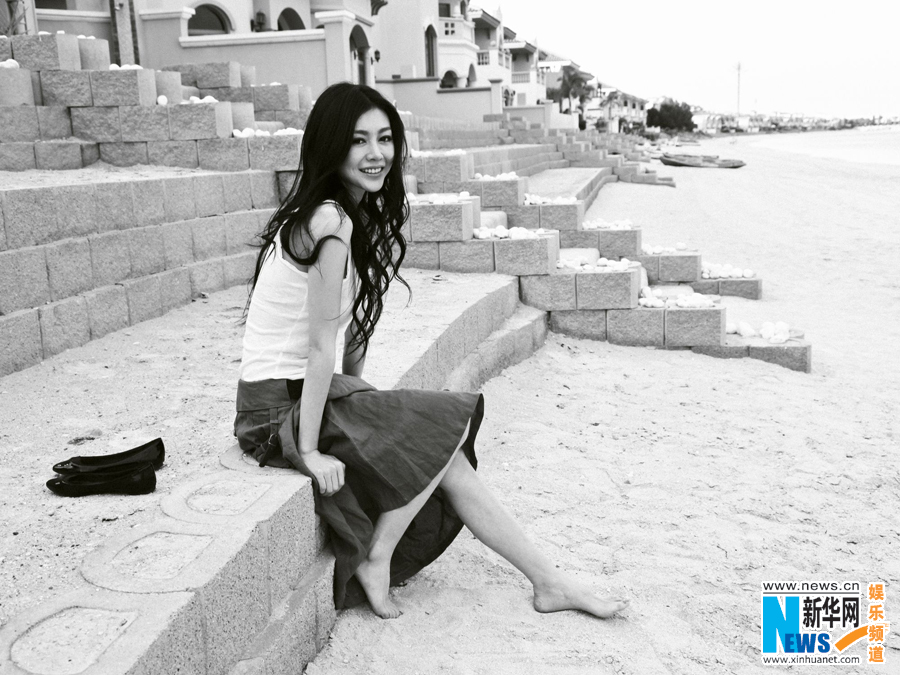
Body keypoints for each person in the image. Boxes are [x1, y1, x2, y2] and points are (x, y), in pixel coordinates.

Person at [234, 82, 629, 621]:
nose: (376, 153)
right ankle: (381, 555)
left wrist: (368, 401)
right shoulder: (330, 222)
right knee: (445, 428)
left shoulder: (343, 215)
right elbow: (321, 345)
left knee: (442, 446)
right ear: (331, 145)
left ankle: (548, 582)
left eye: (384, 138)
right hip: (277, 409)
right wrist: (309, 451)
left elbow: (351, 331)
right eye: (358, 141)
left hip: (299, 393)